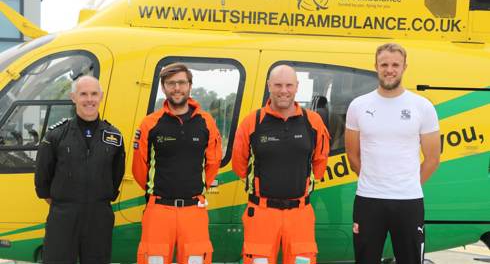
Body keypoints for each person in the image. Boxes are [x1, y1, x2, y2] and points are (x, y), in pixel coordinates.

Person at [345, 43, 441, 264]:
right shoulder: (358, 106)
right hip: (368, 200)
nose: (390, 69)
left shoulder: (422, 106)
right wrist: (374, 180)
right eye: (384, 64)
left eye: (395, 64)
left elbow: (433, 158)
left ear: (404, 67)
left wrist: (408, 184)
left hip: (408, 201)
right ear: (375, 66)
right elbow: (352, 155)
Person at [232, 65, 330, 264]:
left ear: (296, 87)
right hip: (261, 213)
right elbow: (239, 164)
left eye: (288, 85)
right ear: (269, 86)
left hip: (300, 214)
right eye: (278, 85)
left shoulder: (313, 122)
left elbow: (320, 162)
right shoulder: (253, 121)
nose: (283, 91)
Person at [132, 63, 222, 264]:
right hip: (158, 210)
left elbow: (213, 163)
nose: (177, 88)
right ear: (163, 88)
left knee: (196, 259)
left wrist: (196, 189)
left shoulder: (206, 122)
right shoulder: (150, 123)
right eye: (171, 83)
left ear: (190, 86)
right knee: (153, 259)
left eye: (181, 83)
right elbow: (139, 167)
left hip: (194, 210)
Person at [35, 75, 126, 264]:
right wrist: (65, 203)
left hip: (99, 216)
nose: (89, 99)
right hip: (63, 216)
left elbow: (117, 175)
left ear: (101, 96)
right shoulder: (56, 135)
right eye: (83, 94)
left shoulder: (114, 136)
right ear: (73, 97)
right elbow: (43, 178)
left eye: (94, 94)